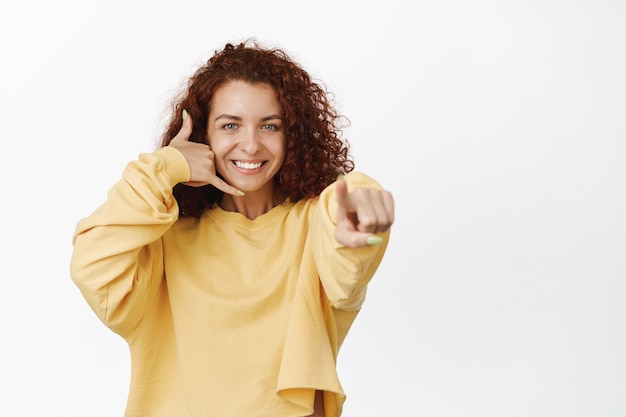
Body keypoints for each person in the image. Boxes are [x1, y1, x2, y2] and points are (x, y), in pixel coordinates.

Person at [70, 39, 394, 417]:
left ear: (293, 134)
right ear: (202, 136)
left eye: (270, 126)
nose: (251, 145)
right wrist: (166, 166)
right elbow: (92, 265)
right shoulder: (164, 241)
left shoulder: (314, 224)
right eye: (230, 125)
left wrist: (359, 204)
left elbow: (344, 250)